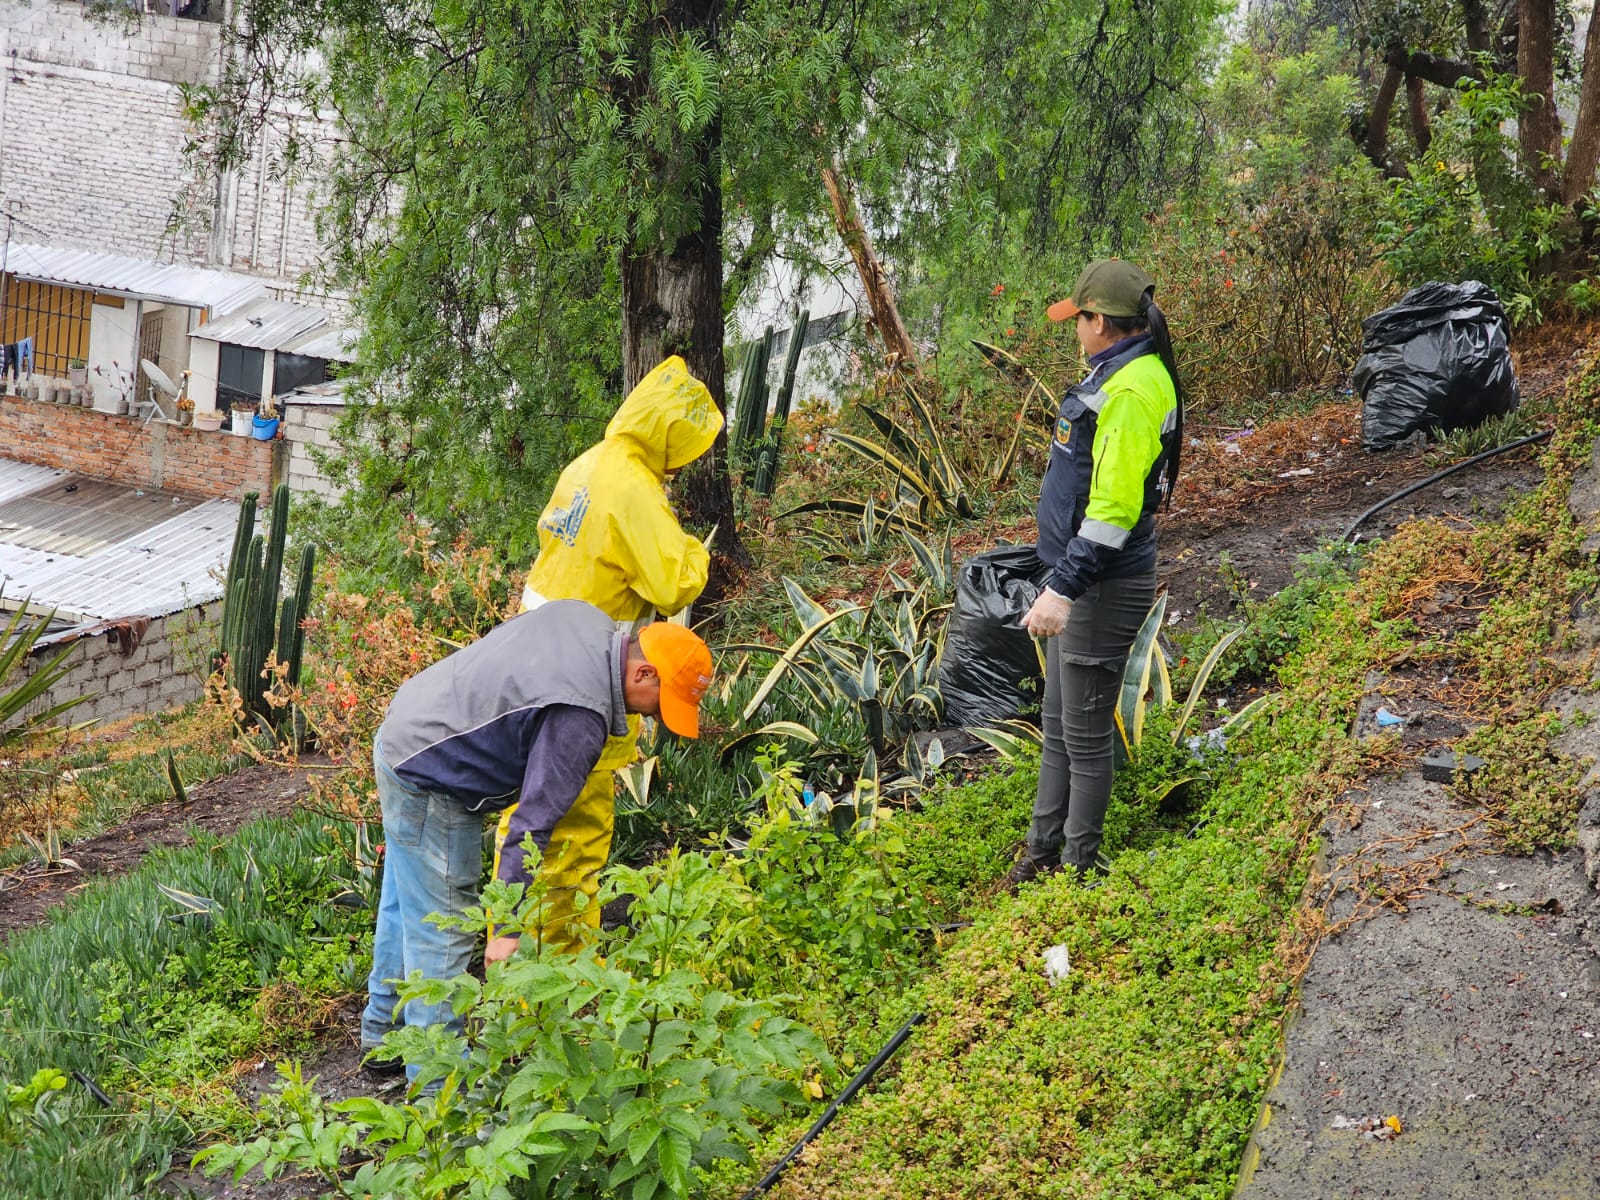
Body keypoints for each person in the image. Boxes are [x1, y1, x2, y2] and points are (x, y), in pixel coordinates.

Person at [360, 601, 714, 1082]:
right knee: (442, 932)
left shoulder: (588, 620)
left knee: (405, 904)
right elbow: (532, 824)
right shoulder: (582, 715)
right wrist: (506, 930)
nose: (654, 719)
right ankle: (436, 1094)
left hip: (409, 728)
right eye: (662, 703)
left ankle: (382, 1036)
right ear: (644, 672)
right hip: (434, 774)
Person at [496, 355, 723, 945]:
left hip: (529, 661)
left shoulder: (588, 464)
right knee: (576, 835)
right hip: (584, 684)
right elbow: (674, 582)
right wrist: (697, 551)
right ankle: (558, 978)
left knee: (526, 824)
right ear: (670, 435)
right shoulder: (633, 488)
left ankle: (512, 948)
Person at [1010, 259, 1183, 888]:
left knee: (1082, 733)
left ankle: (1076, 873)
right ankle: (1040, 852)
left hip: (1099, 584)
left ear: (1101, 323)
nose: (1072, 329)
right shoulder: (1121, 372)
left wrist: (1062, 588)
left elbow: (1112, 512)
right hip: (1080, 576)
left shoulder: (1132, 392)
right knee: (1058, 723)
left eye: (1077, 318)